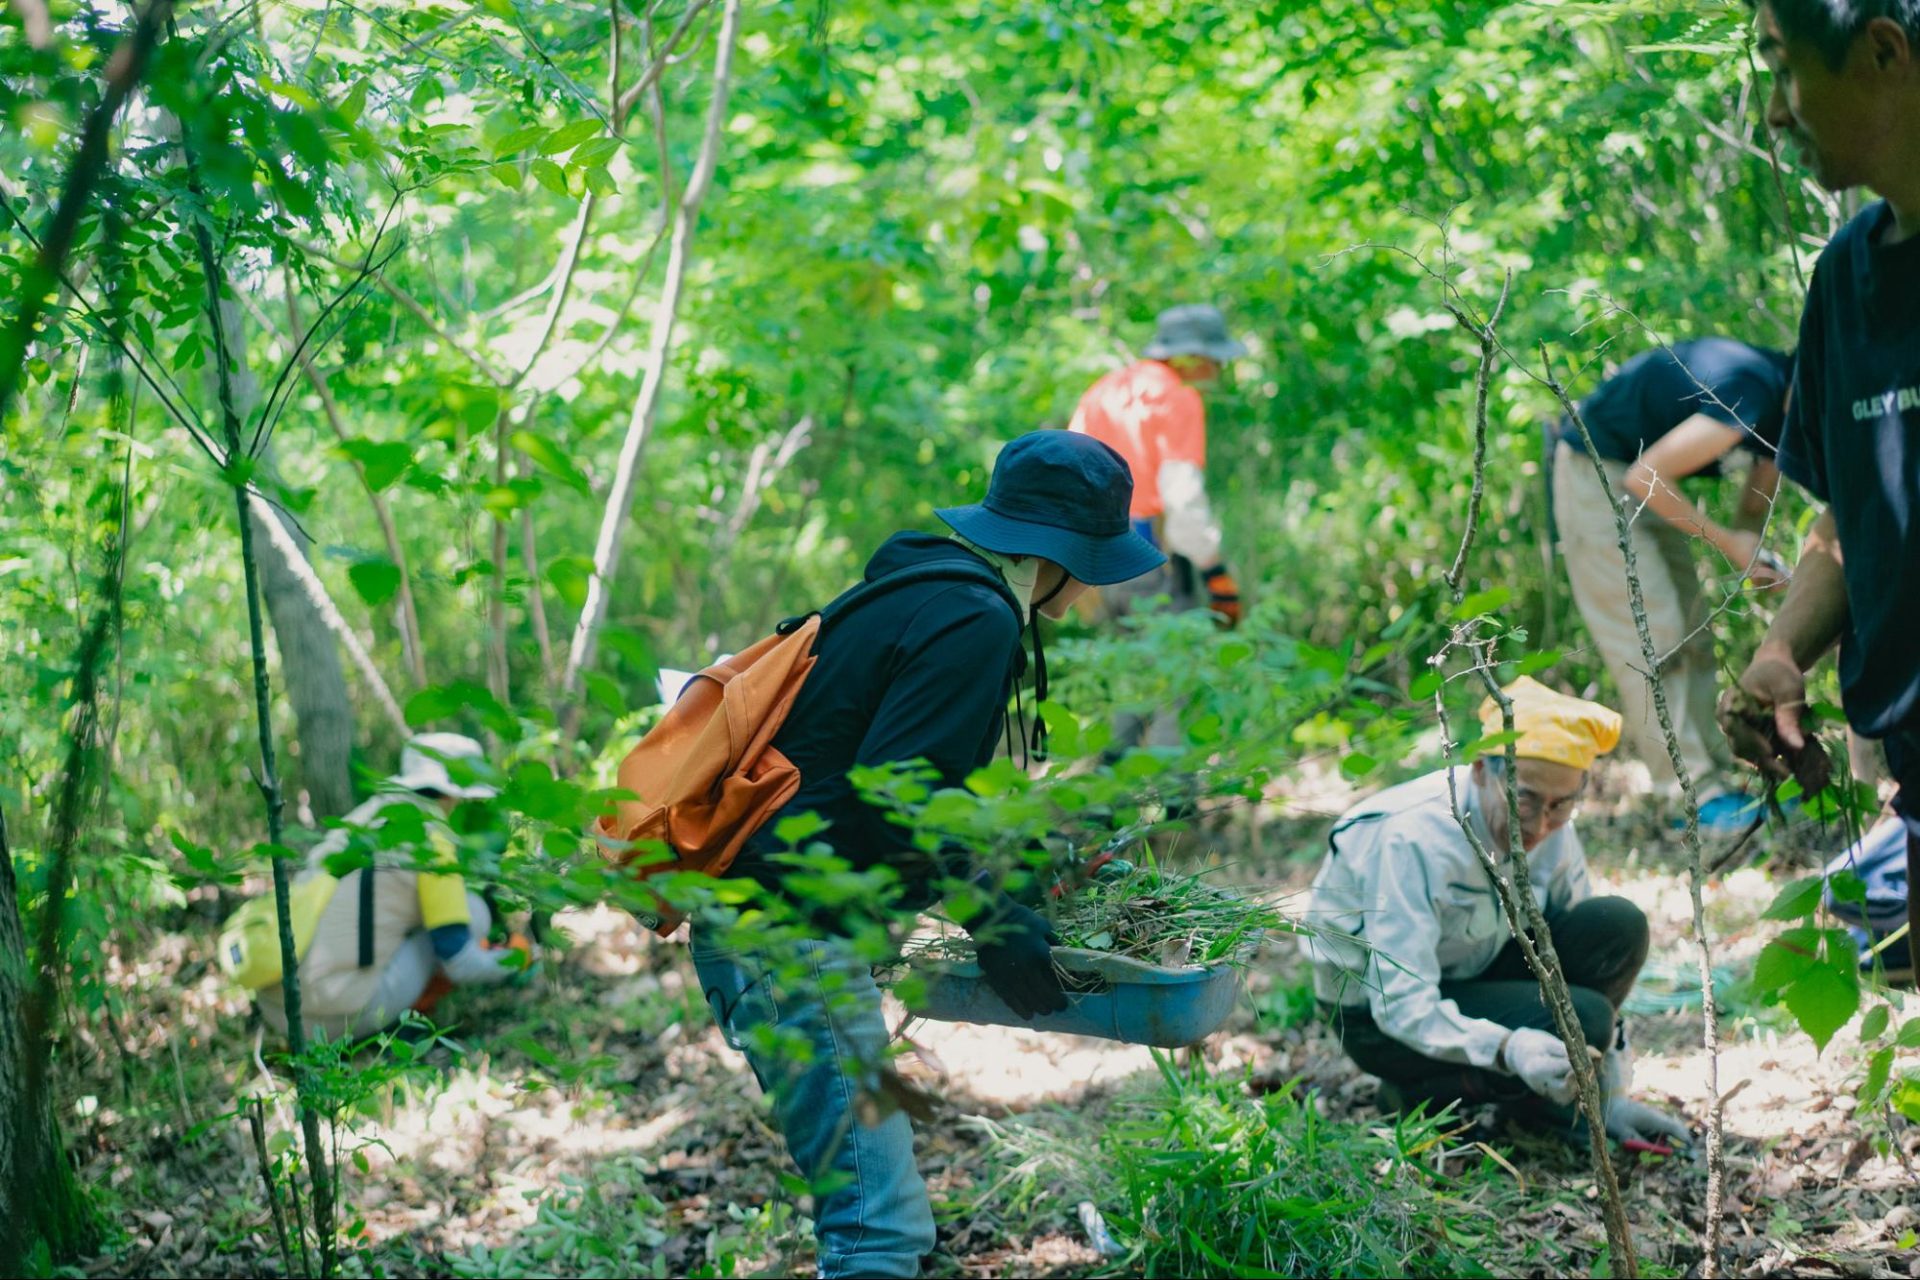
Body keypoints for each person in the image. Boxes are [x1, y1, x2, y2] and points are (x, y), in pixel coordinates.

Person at [695, 430, 1164, 1279]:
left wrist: (1021, 869)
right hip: (785, 934)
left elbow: (895, 781)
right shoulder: (975, 616)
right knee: (876, 1232)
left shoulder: (924, 589)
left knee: (881, 1210)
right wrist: (990, 917)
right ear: (1058, 554)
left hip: (768, 923)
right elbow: (893, 794)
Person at [1725, 0, 1920, 977]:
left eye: (1783, 67)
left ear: (1882, 50)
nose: (1775, 113)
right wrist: (1781, 651)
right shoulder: (1846, 279)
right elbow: (1850, 516)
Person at [1304, 677, 1689, 1147]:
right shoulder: (1414, 839)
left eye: (1561, 804)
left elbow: (1574, 947)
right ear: (1482, 771)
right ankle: (1425, 1089)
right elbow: (1400, 1006)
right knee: (1584, 1018)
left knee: (1616, 926)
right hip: (1375, 1016)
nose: (1540, 825)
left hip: (1473, 969)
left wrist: (1609, 1093)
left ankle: (1556, 1097)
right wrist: (1509, 1048)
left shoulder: (1554, 828)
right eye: (1523, 798)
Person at [1552, 337, 1794, 832]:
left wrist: (1756, 557)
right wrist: (1731, 545)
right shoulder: (1752, 387)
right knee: (1655, 635)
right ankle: (1691, 798)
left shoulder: (1787, 410)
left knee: (1692, 630)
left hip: (1645, 480)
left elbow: (1754, 505)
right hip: (1596, 470)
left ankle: (1717, 778)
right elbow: (1648, 476)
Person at [254, 733, 529, 1042]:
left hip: (277, 1008)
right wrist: (516, 959)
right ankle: (410, 1016)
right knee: (474, 913)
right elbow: (460, 963)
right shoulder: (432, 842)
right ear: (453, 793)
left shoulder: (370, 813)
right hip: (331, 1022)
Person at [1069, 303, 1246, 633]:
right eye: (1214, 358)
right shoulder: (1177, 397)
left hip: (1089, 559)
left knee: (1121, 657)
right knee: (1174, 655)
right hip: (1143, 555)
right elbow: (1182, 498)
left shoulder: (1104, 390)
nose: (1219, 368)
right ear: (1189, 357)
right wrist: (1214, 572)